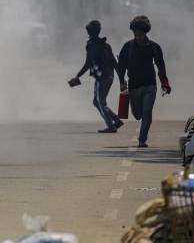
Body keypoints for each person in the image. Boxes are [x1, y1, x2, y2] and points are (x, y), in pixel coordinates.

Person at [117, 15, 171, 148]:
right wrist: (121, 81)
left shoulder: (154, 47)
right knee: (137, 115)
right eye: (135, 34)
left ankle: (142, 140)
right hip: (134, 86)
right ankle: (141, 128)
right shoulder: (127, 47)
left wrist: (165, 83)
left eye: (140, 35)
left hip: (150, 85)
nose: (138, 37)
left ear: (145, 32)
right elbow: (121, 66)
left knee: (147, 112)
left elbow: (161, 66)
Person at [70, 20, 124, 133]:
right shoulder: (106, 45)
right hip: (109, 76)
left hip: (102, 77)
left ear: (89, 32)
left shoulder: (91, 45)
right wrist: (121, 80)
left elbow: (88, 63)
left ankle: (111, 126)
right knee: (96, 101)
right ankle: (116, 120)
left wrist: (77, 76)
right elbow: (115, 63)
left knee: (100, 102)